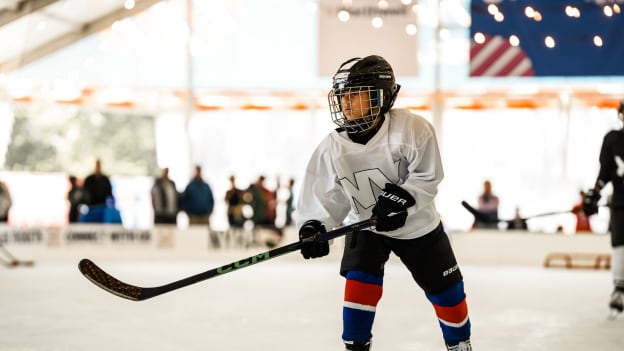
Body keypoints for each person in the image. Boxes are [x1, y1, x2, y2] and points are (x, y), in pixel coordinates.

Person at [295, 55, 472, 351]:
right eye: (342, 95)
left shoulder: (413, 130)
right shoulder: (332, 147)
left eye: (355, 94)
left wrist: (403, 200)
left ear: (381, 97)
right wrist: (315, 226)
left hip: (418, 227)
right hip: (366, 226)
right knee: (358, 289)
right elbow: (323, 197)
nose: (345, 102)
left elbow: (427, 178)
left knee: (448, 296)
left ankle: (459, 344)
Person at [583, 99, 624, 319]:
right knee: (619, 246)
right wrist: (594, 194)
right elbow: (604, 173)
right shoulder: (613, 140)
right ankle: (619, 291)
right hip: (620, 203)